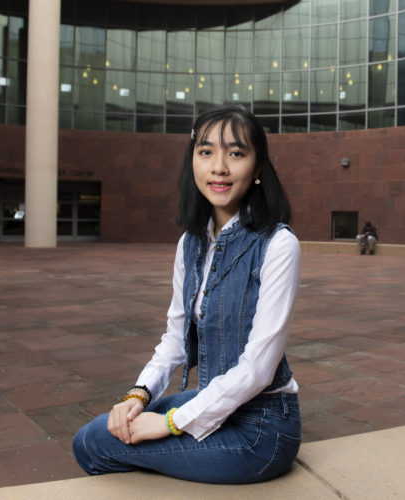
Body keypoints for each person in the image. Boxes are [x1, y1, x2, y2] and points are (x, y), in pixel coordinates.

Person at [72, 105, 302, 484]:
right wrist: (138, 396)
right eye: (206, 151)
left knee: (97, 448)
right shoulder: (191, 243)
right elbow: (175, 341)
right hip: (215, 403)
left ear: (258, 166)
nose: (219, 168)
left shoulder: (278, 244)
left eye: (237, 153)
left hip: (261, 429)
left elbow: (259, 368)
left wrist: (170, 423)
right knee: (96, 435)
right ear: (192, 159)